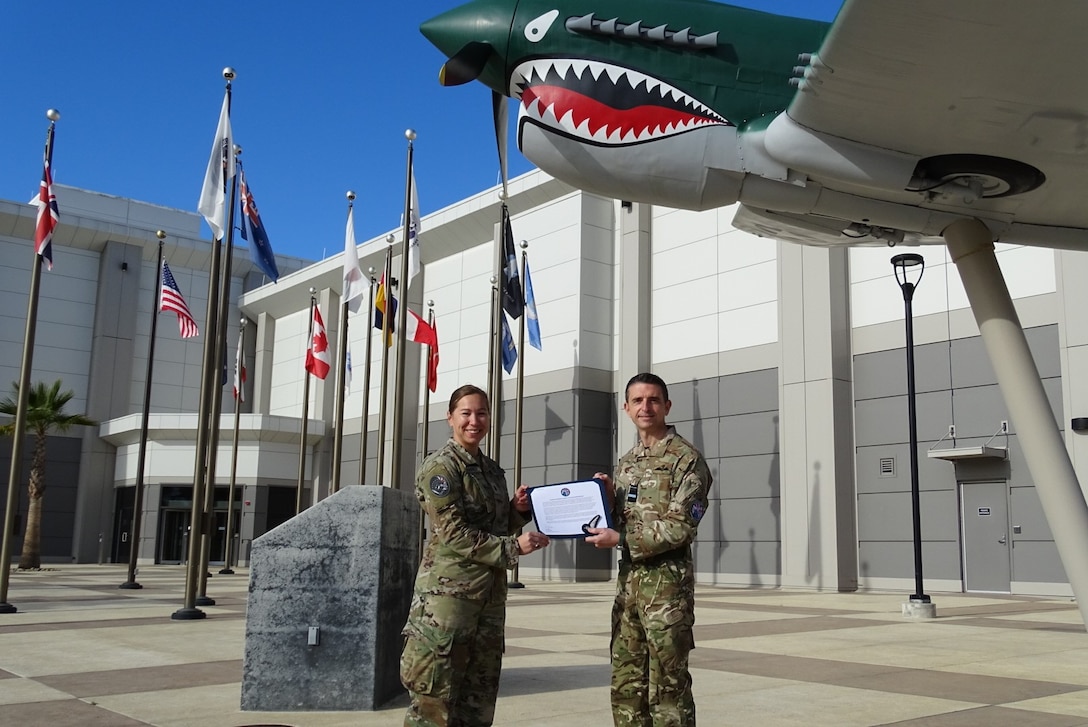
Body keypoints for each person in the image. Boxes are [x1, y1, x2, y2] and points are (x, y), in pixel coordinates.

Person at [400, 384, 551, 727]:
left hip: (487, 603)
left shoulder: (492, 470)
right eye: (465, 413)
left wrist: (517, 511)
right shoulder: (440, 468)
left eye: (481, 413)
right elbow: (454, 534)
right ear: (450, 417)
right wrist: (514, 548)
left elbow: (495, 526)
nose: (474, 421)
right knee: (433, 706)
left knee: (477, 704)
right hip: (447, 606)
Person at [586, 373, 713, 726]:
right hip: (629, 594)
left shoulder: (687, 461)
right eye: (638, 401)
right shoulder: (627, 463)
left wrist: (621, 540)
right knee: (627, 685)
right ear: (626, 408)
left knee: (668, 692)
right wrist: (606, 499)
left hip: (666, 595)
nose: (646, 407)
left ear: (667, 406)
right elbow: (624, 519)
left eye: (654, 400)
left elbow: (680, 526)